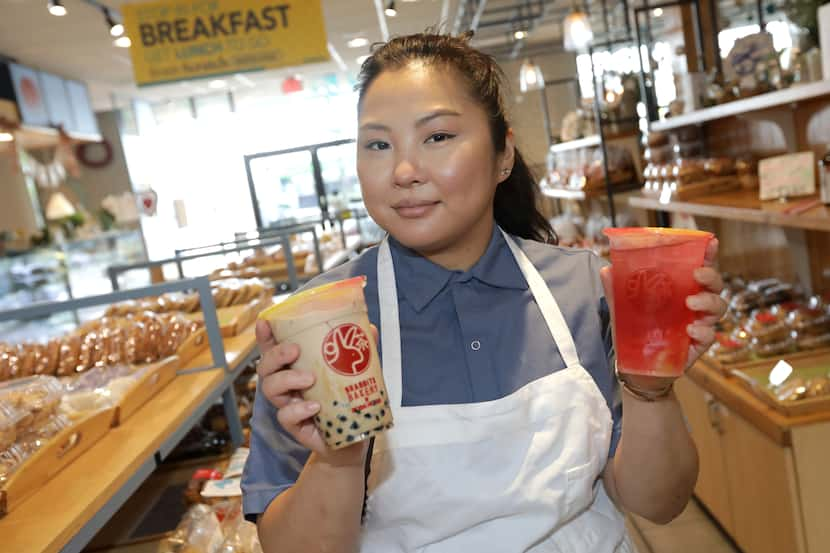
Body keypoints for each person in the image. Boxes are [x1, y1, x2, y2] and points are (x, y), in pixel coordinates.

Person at [242, 32, 727, 553]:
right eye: (378, 144)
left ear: (503, 155)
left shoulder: (582, 289)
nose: (404, 171)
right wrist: (337, 456)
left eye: (438, 137)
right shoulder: (321, 325)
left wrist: (649, 389)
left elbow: (659, 502)